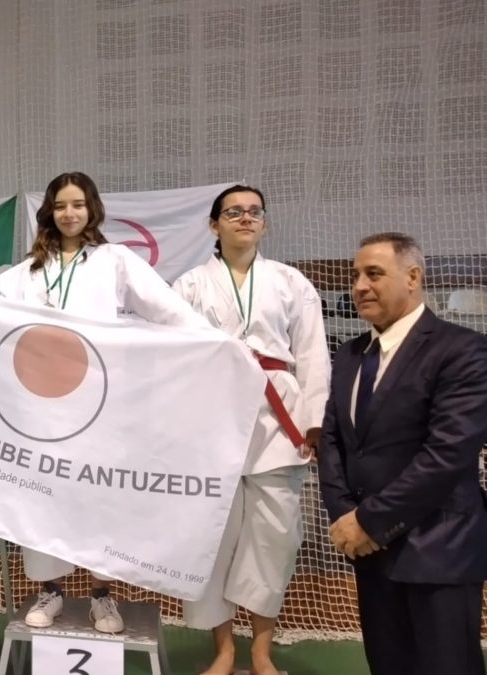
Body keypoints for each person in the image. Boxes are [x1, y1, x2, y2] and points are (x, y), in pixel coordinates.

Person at [0, 171, 211, 634]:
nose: (69, 213)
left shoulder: (114, 260)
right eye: (61, 205)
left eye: (78, 205)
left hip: (99, 403)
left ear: (92, 209)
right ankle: (50, 591)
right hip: (41, 404)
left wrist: (212, 341)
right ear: (48, 211)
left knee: (98, 498)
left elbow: (165, 307)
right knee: (41, 498)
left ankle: (102, 596)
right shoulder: (29, 268)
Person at [172, 185, 330, 675]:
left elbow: (312, 354)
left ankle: (261, 652)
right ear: (213, 225)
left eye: (254, 212)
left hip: (278, 419)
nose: (245, 218)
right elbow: (174, 358)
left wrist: (315, 420)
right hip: (212, 415)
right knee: (213, 540)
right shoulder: (190, 285)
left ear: (264, 222)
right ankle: (224, 651)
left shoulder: (291, 282)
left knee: (275, 540)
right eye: (233, 212)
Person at [318, 233, 487, 675]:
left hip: (437, 550)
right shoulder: (350, 356)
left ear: (413, 278)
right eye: (355, 275)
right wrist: (344, 516)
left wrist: (370, 521)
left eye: (373, 273)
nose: (359, 285)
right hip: (368, 551)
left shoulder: (463, 350)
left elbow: (446, 455)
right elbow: (334, 442)